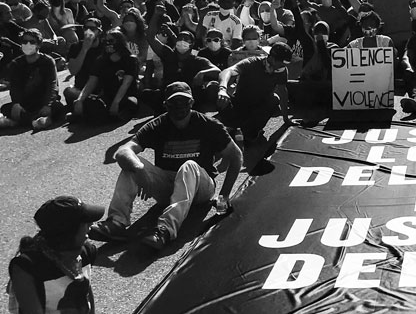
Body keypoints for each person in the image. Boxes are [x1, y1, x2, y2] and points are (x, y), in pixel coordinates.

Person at [88, 82, 243, 250]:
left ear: (192, 103)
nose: (179, 107)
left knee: (189, 166)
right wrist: (138, 168)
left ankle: (165, 230)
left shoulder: (208, 125)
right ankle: (116, 223)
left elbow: (236, 156)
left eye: (184, 102)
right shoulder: (158, 125)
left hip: (201, 187)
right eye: (174, 103)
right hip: (168, 185)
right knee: (130, 163)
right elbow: (123, 151)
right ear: (165, 105)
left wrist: (223, 196)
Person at [7, 196, 105, 314]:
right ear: (69, 232)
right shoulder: (27, 269)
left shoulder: (86, 252)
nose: (91, 224)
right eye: (85, 222)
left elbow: (86, 295)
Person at [217, 42, 293, 146]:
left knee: (274, 99)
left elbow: (282, 91)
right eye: (280, 64)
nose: (282, 67)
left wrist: (286, 118)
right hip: (239, 104)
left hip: (258, 108)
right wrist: (222, 89)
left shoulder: (282, 71)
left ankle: (249, 131)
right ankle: (230, 125)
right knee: (213, 88)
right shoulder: (251, 62)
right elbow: (228, 71)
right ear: (273, 59)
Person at [0, 28, 64, 130]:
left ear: (39, 44)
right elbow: (14, 86)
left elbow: (52, 84)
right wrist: (16, 103)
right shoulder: (16, 63)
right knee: (6, 108)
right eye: (24, 42)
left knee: (58, 107)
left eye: (32, 42)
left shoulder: (47, 61)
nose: (28, 44)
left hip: (43, 101)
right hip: (26, 104)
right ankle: (39, 121)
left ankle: (21, 122)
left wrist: (48, 104)